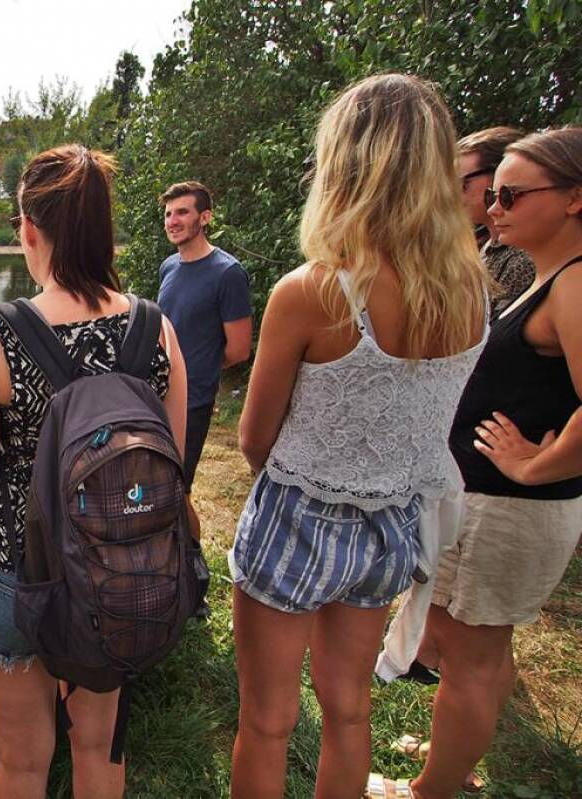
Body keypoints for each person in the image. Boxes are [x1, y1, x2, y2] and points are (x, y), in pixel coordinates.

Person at [230, 74, 488, 798]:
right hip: (393, 521)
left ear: (345, 164)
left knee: (267, 719)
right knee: (348, 707)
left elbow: (253, 437)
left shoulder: (313, 290)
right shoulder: (470, 290)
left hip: (297, 517)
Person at [0, 144, 188, 798]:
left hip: (15, 572)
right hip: (116, 566)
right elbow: (173, 463)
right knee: (98, 749)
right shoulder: (156, 329)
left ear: (29, 229)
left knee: (22, 763)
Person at [404, 127, 582, 799]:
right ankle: (452, 753)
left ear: (573, 198)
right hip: (491, 500)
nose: (494, 207)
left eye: (512, 195)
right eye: (495, 193)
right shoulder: (551, 278)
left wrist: (538, 464)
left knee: (469, 659)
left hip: (508, 507)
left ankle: (431, 789)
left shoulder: (575, 283)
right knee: (476, 649)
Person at [156, 182, 253, 526]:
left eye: (182, 212)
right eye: (168, 214)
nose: (172, 221)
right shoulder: (169, 266)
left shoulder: (227, 273)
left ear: (205, 217)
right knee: (155, 487)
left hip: (192, 401)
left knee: (178, 491)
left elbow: (239, 349)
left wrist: (199, 367)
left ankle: (192, 556)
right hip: (156, 394)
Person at [458, 127, 536, 314]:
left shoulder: (523, 259)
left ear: (501, 175)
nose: (453, 192)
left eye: (463, 183)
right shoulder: (481, 246)